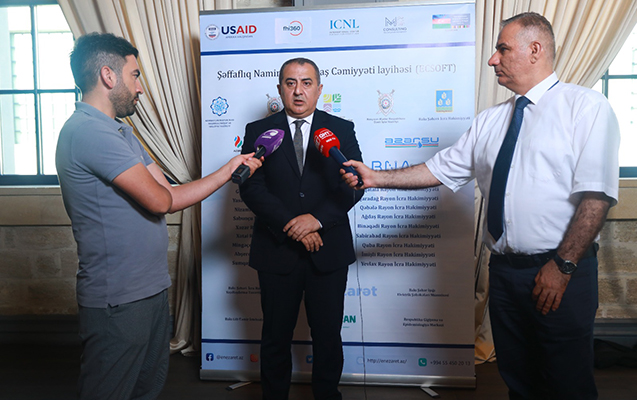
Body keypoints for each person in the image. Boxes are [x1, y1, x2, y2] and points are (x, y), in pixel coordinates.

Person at [341, 12, 619, 400]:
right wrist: (375, 177)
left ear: (534, 50)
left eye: (502, 49)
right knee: (519, 380)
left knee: (567, 383)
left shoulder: (586, 107)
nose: (492, 59)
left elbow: (596, 198)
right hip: (504, 274)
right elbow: (438, 169)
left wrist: (562, 266)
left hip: (560, 271)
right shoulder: (490, 121)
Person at [55, 32, 261, 400]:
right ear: (107, 76)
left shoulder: (121, 131)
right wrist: (226, 172)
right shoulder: (89, 132)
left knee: (145, 389)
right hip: (119, 298)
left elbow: (170, 193)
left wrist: (230, 168)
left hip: (149, 289)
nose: (140, 88)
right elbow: (160, 202)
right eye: (135, 75)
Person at [239, 57, 364, 400]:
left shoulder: (341, 129)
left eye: (306, 83)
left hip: (329, 250)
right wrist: (291, 225)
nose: (298, 91)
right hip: (276, 249)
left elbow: (354, 184)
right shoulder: (257, 131)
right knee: (275, 336)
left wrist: (316, 220)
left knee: (328, 336)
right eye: (290, 83)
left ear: (319, 89)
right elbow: (251, 187)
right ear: (280, 88)